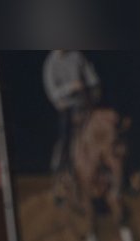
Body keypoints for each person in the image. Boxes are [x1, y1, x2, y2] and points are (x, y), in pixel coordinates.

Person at [42, 50, 101, 183]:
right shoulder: (51, 63)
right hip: (66, 106)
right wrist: (71, 87)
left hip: (84, 103)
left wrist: (94, 88)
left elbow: (91, 77)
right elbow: (53, 92)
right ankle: (60, 171)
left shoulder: (77, 57)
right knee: (66, 138)